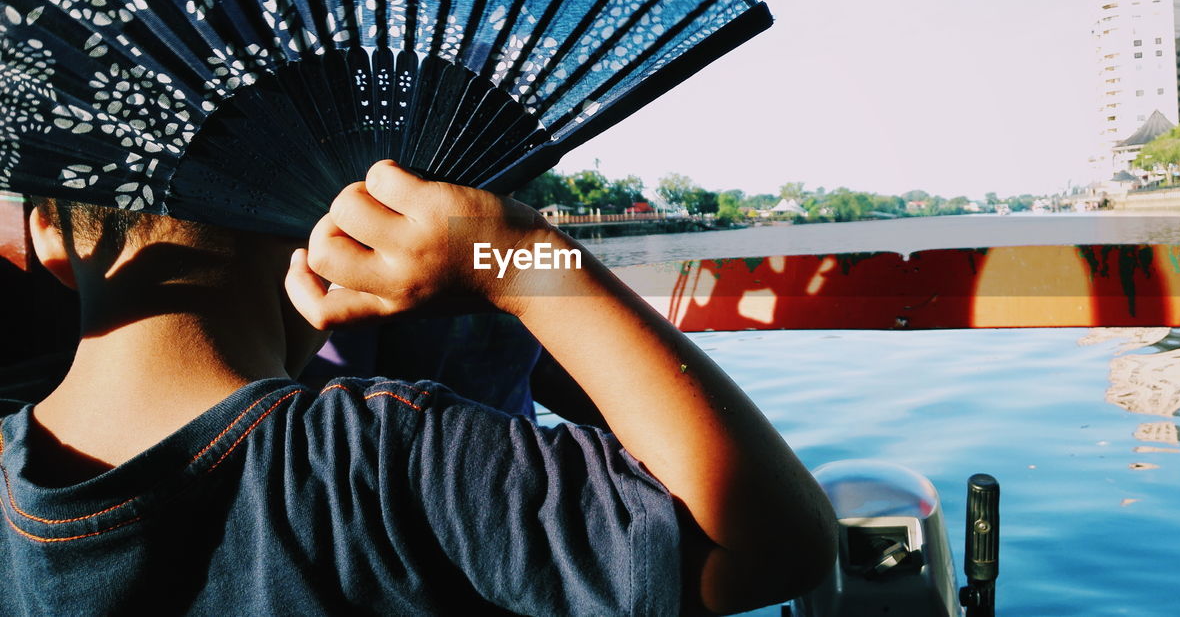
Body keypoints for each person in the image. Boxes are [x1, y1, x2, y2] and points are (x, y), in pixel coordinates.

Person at [0, 160, 835, 615]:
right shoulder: (390, 456)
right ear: (315, 210)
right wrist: (520, 259)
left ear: (45, 232)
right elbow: (777, 545)